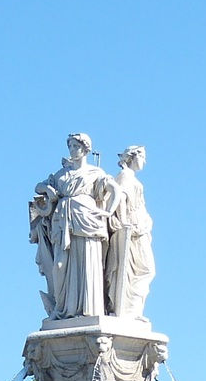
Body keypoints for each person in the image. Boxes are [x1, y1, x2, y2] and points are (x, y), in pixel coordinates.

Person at [31, 133, 114, 319]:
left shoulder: (96, 173)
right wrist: (48, 189)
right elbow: (38, 187)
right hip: (63, 223)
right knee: (61, 266)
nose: (72, 150)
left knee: (88, 263)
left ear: (85, 149)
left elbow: (114, 190)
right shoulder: (61, 174)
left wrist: (108, 211)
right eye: (70, 146)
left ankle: (89, 309)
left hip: (87, 220)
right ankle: (64, 309)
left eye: (75, 146)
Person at [106, 145, 155, 319]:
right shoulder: (125, 176)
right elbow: (119, 197)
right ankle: (128, 309)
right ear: (132, 157)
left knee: (144, 270)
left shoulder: (131, 177)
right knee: (143, 269)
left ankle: (133, 309)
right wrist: (125, 221)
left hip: (139, 229)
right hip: (132, 230)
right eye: (143, 156)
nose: (145, 161)